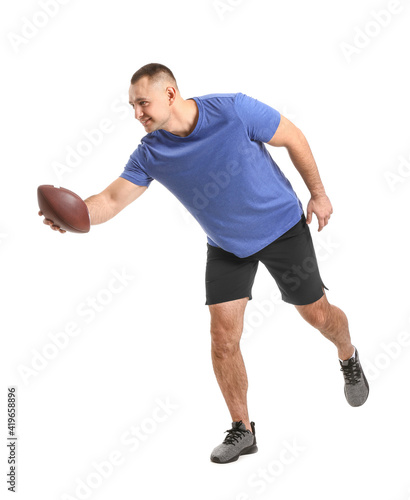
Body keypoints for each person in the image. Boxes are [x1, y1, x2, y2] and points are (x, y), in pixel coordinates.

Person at [39, 62, 369, 464]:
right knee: (223, 339)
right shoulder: (151, 153)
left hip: (282, 228)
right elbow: (109, 200)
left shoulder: (233, 110)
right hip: (227, 246)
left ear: (170, 94)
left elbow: (293, 137)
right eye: (132, 106)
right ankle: (243, 430)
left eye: (142, 103)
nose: (137, 114)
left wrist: (318, 194)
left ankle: (348, 356)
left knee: (317, 317)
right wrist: (76, 216)